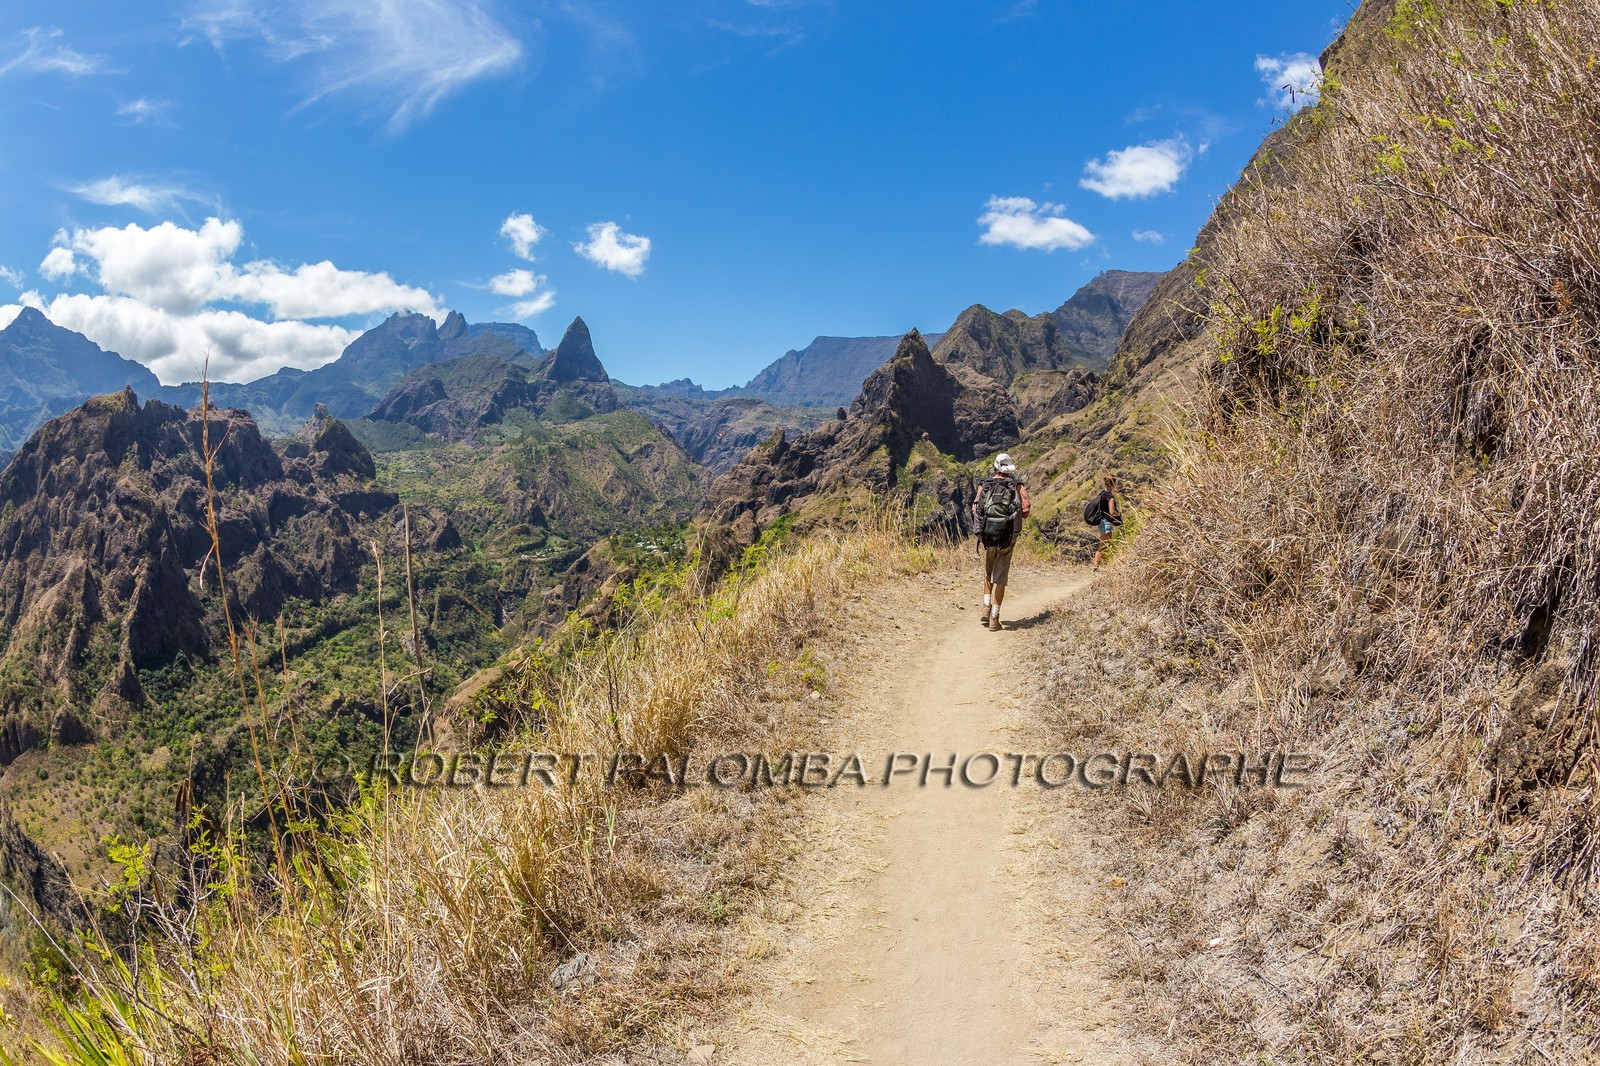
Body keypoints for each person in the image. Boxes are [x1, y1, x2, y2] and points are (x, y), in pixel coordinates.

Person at [973, 453, 1030, 632]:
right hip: (1007, 538)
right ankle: (995, 618)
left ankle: (985, 605)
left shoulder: (985, 485)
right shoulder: (1017, 486)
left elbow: (975, 509)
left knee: (987, 570)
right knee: (1000, 577)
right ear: (1009, 469)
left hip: (988, 537)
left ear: (995, 467)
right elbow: (1026, 510)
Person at [1092, 474, 1121, 568]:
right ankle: (1096, 568)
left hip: (1101, 522)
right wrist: (1118, 514)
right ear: (1114, 483)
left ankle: (1098, 567)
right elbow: (1112, 512)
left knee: (1104, 545)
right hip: (1106, 522)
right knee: (1104, 546)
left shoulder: (1102, 494)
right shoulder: (1110, 496)